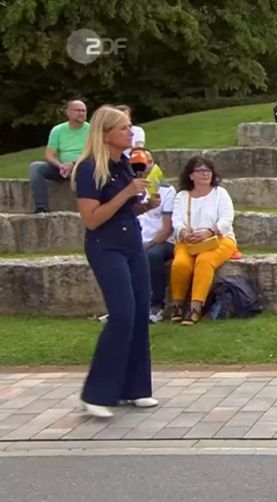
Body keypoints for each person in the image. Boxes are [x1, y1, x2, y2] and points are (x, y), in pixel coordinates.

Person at [71, 106, 157, 418]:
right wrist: (126, 194)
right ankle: (96, 393)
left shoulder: (123, 163)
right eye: (124, 128)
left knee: (138, 312)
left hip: (132, 243)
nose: (130, 132)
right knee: (121, 313)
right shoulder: (89, 168)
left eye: (130, 126)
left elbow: (123, 210)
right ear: (105, 132)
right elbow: (92, 219)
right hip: (105, 247)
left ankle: (134, 388)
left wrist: (144, 205)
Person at [169, 157, 237, 326]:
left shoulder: (220, 193)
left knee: (204, 261)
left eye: (208, 170)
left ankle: (195, 308)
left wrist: (209, 232)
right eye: (200, 171)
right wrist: (185, 233)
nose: (205, 174)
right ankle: (177, 305)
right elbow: (176, 220)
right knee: (180, 265)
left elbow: (227, 219)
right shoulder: (182, 196)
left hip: (219, 239)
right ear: (191, 176)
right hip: (189, 241)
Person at [131, 148, 176, 323]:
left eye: (148, 162)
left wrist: (147, 245)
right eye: (138, 163)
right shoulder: (127, 188)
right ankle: (124, 307)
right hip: (134, 239)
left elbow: (167, 229)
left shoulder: (166, 190)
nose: (145, 166)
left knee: (152, 255)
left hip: (161, 241)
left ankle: (157, 304)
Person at [28, 99, 89, 213]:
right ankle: (42, 207)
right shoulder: (58, 130)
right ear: (68, 112)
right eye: (78, 110)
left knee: (90, 168)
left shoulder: (92, 130)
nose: (81, 113)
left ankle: (87, 209)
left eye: (84, 111)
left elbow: (93, 154)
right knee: (36, 167)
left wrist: (73, 164)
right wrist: (61, 166)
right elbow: (49, 155)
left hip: (83, 166)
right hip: (62, 169)